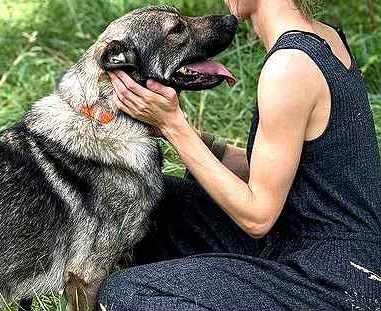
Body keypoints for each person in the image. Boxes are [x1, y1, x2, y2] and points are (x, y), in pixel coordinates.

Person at [101, 0, 381, 310]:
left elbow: (258, 216)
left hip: (332, 279)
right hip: (316, 244)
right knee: (153, 200)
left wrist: (174, 127)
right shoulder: (322, 38)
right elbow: (284, 172)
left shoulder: (290, 66)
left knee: (128, 293)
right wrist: (182, 134)